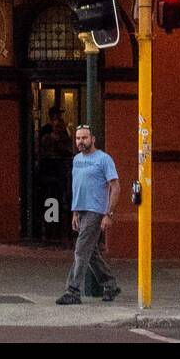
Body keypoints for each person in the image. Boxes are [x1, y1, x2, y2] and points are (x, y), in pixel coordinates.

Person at [56, 124, 121, 305]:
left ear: (93, 139)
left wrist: (109, 213)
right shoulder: (76, 159)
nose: (80, 142)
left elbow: (115, 187)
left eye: (84, 138)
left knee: (80, 250)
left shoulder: (104, 159)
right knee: (90, 253)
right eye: (78, 138)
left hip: (95, 211)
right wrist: (75, 212)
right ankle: (110, 285)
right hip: (81, 210)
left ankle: (73, 291)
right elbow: (77, 186)